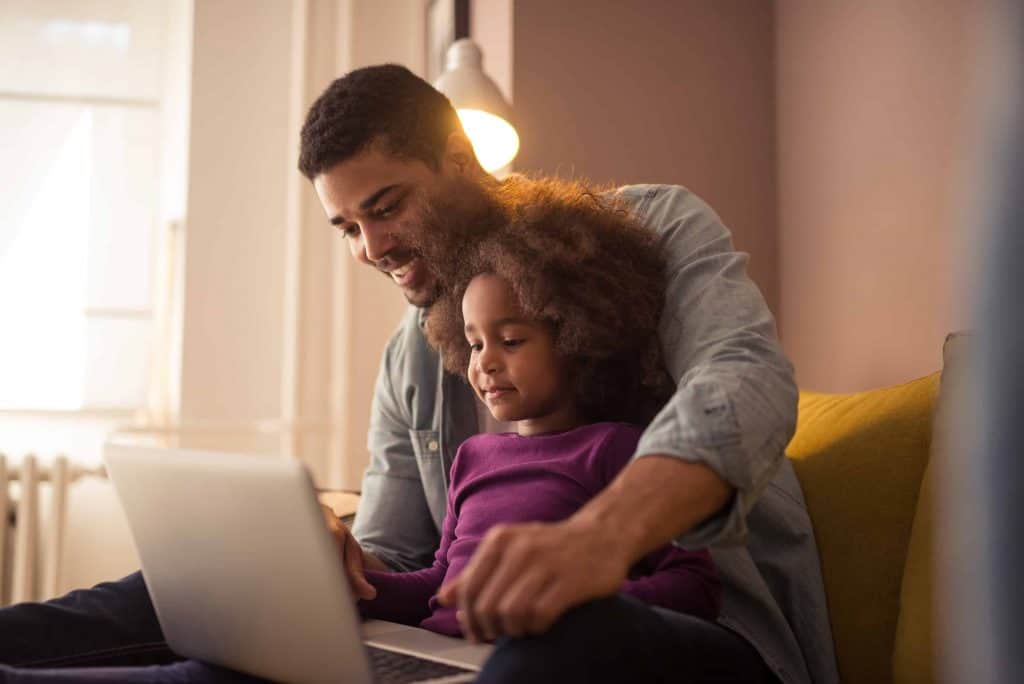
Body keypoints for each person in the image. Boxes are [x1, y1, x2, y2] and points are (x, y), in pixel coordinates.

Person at [0, 64, 838, 684]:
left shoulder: (649, 228)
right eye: (347, 228)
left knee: (562, 642)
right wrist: (328, 561)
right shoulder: (413, 354)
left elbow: (745, 380)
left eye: (388, 206)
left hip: (700, 640)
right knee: (198, 614)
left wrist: (597, 539)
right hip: (457, 649)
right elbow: (397, 553)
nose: (372, 249)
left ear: (461, 158)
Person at [359, 177, 721, 645]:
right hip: (445, 660)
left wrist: (582, 603)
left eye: (510, 341)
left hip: (537, 658)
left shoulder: (615, 449)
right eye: (473, 344)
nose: (485, 361)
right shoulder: (472, 458)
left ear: (576, 336)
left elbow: (696, 586)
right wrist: (352, 585)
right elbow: (439, 586)